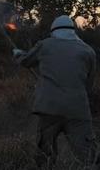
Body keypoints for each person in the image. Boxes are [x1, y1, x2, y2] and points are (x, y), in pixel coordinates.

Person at [13, 15, 98, 168]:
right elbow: (89, 84)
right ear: (73, 31)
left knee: (45, 154)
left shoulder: (44, 45)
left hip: (49, 108)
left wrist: (18, 53)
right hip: (78, 109)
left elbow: (26, 61)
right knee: (89, 155)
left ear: (54, 31)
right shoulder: (88, 51)